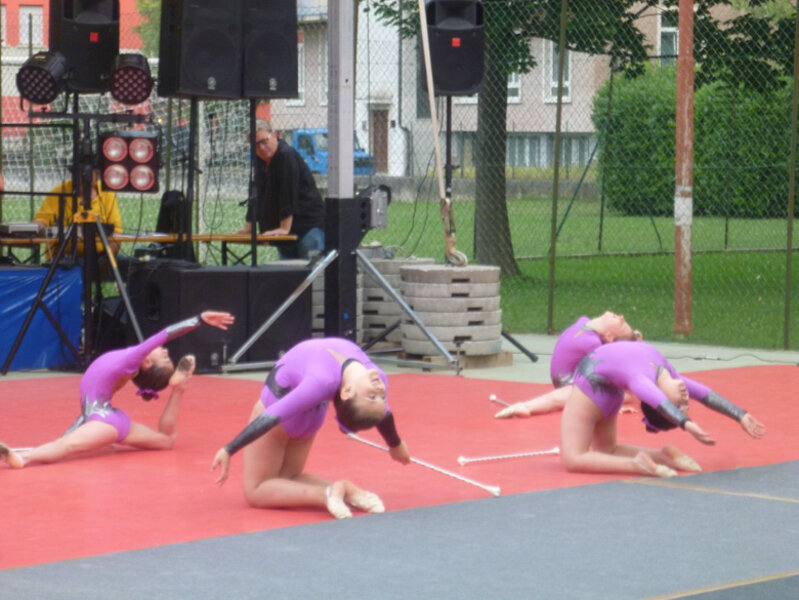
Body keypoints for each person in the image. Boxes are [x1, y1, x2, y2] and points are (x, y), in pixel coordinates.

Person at [0, 311, 235, 469]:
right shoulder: (128, 369)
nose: (165, 351)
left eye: (165, 358)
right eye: (167, 355)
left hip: (105, 420)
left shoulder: (135, 357)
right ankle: (178, 389)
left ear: (147, 363)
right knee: (165, 440)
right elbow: (86, 413)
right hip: (109, 417)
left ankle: (23, 457)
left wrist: (199, 319)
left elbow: (165, 334)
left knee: (66, 447)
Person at [211, 337, 411, 520]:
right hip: (312, 415)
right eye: (379, 398)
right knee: (290, 479)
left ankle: (327, 494)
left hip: (283, 416)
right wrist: (395, 444)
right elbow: (384, 413)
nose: (380, 391)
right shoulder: (378, 379)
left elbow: (273, 414)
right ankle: (348, 493)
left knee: (256, 490)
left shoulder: (322, 380)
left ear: (348, 391)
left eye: (373, 397)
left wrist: (229, 449)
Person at [559, 340, 765, 478]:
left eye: (680, 404)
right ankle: (662, 457)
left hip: (590, 389)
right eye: (686, 404)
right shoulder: (671, 376)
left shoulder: (642, 382)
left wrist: (687, 423)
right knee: (607, 450)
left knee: (574, 458)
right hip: (608, 391)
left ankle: (637, 465)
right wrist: (740, 414)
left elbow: (662, 403)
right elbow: (705, 395)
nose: (686, 398)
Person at [495, 312, 642, 419]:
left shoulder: (593, 343)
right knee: (625, 393)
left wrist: (611, 404)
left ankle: (526, 406)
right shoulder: (584, 322)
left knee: (624, 393)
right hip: (567, 383)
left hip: (570, 387)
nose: (622, 316)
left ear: (609, 336)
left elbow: (610, 373)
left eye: (622, 325)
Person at [237, 120, 326, 260]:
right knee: (288, 275)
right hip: (286, 231)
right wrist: (249, 226)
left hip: (308, 226)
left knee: (311, 274)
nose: (261, 148)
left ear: (274, 135)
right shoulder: (259, 161)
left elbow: (288, 192)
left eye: (264, 141)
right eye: (256, 145)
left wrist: (284, 228)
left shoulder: (286, 155)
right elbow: (255, 193)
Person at [33, 168, 123, 277]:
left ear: (98, 176)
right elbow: (42, 220)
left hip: (101, 257)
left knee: (128, 264)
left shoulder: (107, 193)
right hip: (66, 256)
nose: (83, 178)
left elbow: (117, 232)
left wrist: (107, 261)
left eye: (88, 174)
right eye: (80, 174)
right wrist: (38, 226)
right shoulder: (60, 191)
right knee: (79, 267)